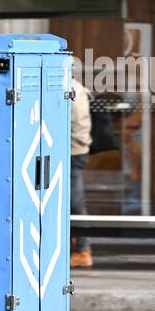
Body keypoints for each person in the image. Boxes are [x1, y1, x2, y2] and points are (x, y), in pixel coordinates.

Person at [70, 80, 93, 269]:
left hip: (72, 151)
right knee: (72, 202)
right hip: (77, 149)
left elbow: (75, 125)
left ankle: (82, 250)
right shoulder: (77, 86)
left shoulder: (68, 88)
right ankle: (74, 244)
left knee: (75, 204)